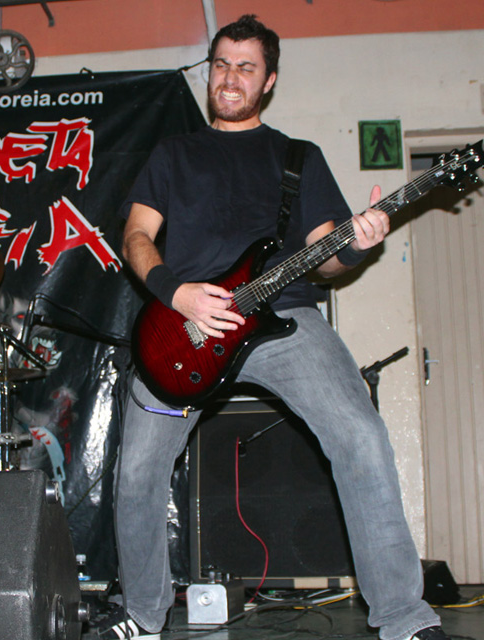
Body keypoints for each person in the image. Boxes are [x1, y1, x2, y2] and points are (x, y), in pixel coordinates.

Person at [100, 15, 448, 640]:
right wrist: (177, 293)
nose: (230, 78)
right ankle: (143, 616)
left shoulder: (298, 157)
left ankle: (403, 619)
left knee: (362, 438)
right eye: (221, 64)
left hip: (284, 319)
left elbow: (328, 257)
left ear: (269, 81)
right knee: (138, 473)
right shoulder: (174, 154)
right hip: (184, 326)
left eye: (246, 67)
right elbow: (136, 237)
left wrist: (359, 244)